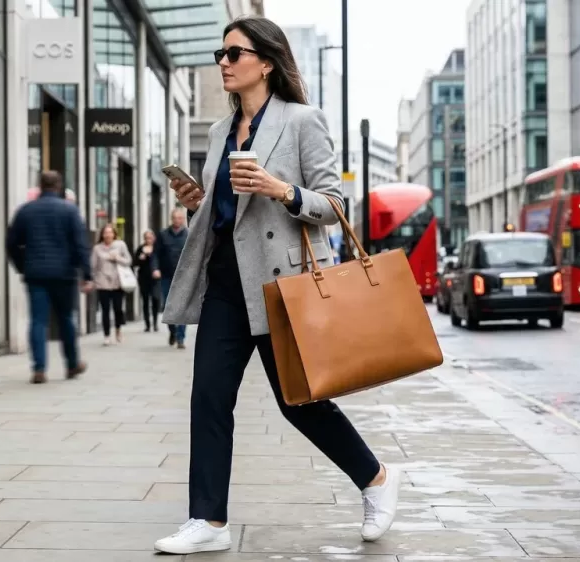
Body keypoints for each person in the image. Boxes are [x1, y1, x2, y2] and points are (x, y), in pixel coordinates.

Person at [155, 15, 400, 555]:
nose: (223, 62)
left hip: (280, 286)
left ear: (265, 62)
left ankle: (377, 479)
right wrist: (201, 203)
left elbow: (336, 204)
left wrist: (281, 189)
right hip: (224, 283)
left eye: (234, 54)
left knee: (300, 402)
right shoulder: (221, 131)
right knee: (209, 399)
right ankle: (208, 521)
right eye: (221, 54)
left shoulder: (301, 121)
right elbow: (228, 215)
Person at [5, 170, 92, 384]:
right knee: (66, 320)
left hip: (36, 274)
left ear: (40, 186)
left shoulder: (26, 211)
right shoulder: (70, 211)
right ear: (59, 185)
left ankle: (39, 369)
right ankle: (72, 365)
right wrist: (87, 274)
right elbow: (81, 245)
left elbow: (11, 243)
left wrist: (22, 266)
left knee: (38, 321)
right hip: (64, 274)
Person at [152, 207, 189, 349]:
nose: (178, 221)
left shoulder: (188, 234)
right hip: (166, 276)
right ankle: (172, 331)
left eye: (180, 218)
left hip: (184, 276)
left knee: (182, 307)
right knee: (169, 306)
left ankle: (181, 338)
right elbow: (155, 254)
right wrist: (155, 269)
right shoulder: (162, 235)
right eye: (175, 218)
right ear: (171, 219)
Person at [91, 224, 130, 345]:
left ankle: (118, 329)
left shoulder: (120, 245)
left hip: (118, 282)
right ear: (102, 235)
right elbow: (93, 266)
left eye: (110, 232)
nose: (108, 235)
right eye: (105, 232)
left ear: (114, 234)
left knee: (118, 309)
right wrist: (92, 279)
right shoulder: (97, 248)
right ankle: (106, 335)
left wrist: (117, 258)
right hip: (102, 283)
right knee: (105, 310)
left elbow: (129, 261)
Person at [134, 229, 160, 332]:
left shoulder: (157, 248)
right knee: (145, 301)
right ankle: (147, 324)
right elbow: (134, 262)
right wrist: (141, 258)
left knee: (155, 300)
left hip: (155, 279)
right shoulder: (141, 248)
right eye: (146, 238)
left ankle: (155, 323)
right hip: (144, 278)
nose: (148, 240)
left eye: (150, 238)